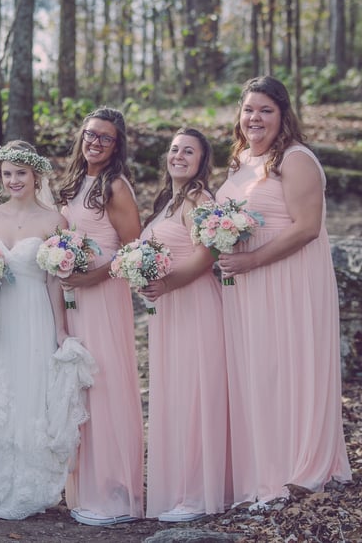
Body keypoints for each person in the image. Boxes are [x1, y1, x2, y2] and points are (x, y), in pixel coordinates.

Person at [215, 75, 352, 508]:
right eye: (249, 110)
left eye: (266, 110)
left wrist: (252, 260)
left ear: (283, 115)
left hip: (288, 279)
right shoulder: (241, 160)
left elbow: (309, 227)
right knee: (258, 372)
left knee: (287, 367)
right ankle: (263, 469)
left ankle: (298, 468)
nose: (255, 118)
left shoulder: (296, 159)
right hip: (247, 283)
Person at [0, 141, 72, 520]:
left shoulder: (54, 220)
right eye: (7, 174)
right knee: (0, 391)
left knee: (31, 392)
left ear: (36, 175)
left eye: (21, 173)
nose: (14, 180)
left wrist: (60, 328)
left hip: (34, 312)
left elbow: (54, 281)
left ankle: (33, 486)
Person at [56, 107, 145, 526]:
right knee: (79, 386)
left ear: (116, 145)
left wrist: (92, 277)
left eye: (105, 138)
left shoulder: (116, 187)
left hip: (104, 296)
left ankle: (114, 491)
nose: (95, 142)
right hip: (74, 297)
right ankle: (83, 487)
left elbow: (133, 250)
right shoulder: (73, 182)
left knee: (105, 383)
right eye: (90, 134)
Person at [137, 128, 228, 522]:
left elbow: (208, 255)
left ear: (201, 160)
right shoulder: (168, 201)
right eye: (174, 149)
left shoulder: (197, 199)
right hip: (170, 309)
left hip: (194, 304)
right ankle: (176, 489)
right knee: (175, 394)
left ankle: (196, 494)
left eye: (188, 151)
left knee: (194, 394)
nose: (179, 156)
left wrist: (166, 283)